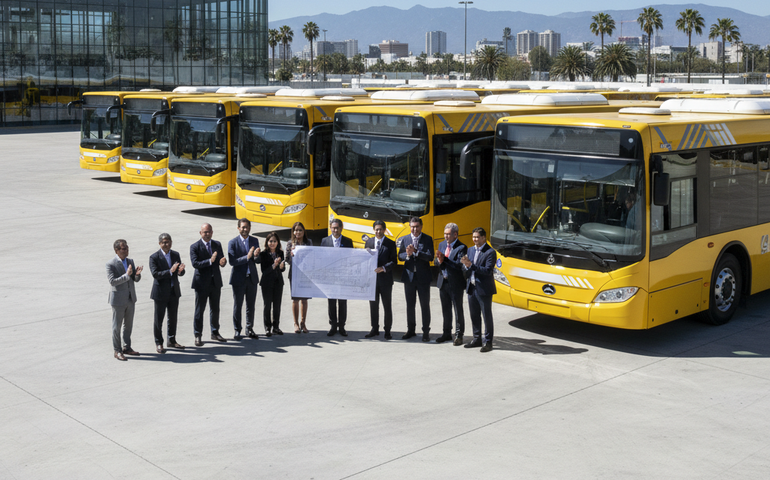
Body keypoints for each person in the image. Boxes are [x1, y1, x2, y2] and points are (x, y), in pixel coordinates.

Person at [397, 217, 434, 342]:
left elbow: (430, 257)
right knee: (410, 305)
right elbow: (400, 256)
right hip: (409, 278)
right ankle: (411, 330)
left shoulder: (427, 239)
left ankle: (425, 332)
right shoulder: (405, 239)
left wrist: (416, 252)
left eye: (417, 226)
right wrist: (407, 255)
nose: (414, 229)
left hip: (423, 278)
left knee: (424, 305)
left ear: (421, 226)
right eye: (412, 227)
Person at [190, 223, 227, 346]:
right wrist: (209, 261)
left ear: (212, 232)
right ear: (200, 233)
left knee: (215, 309)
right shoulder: (195, 246)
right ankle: (197, 335)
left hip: (215, 282)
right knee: (199, 310)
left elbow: (221, 259)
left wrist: (222, 262)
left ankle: (215, 332)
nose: (207, 234)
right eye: (205, 232)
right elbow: (195, 263)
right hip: (201, 283)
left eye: (209, 232)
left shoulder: (217, 244)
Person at [461, 227, 497, 353]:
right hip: (471, 286)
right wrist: (465, 266)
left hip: (484, 288)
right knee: (474, 314)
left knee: (486, 315)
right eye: (473, 237)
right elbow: (466, 268)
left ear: (483, 238)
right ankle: (477, 338)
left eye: (477, 237)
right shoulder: (470, 250)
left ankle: (488, 342)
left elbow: (487, 271)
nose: (475, 239)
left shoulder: (490, 252)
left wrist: (471, 265)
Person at [149, 233, 186, 353]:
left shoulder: (175, 254)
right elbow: (155, 274)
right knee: (158, 319)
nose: (166, 244)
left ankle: (172, 340)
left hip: (173, 291)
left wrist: (180, 271)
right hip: (160, 293)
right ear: (159, 244)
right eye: (164, 242)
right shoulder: (154, 257)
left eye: (168, 242)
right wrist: (170, 271)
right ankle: (159, 343)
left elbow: (179, 272)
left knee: (173, 317)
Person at [106, 239, 142, 361]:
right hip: (118, 300)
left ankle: (127, 347)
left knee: (128, 325)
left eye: (127, 247)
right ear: (117, 250)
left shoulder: (130, 261)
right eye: (123, 248)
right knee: (117, 326)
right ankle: (117, 350)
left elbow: (134, 279)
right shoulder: (111, 264)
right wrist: (126, 275)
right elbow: (113, 281)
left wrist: (137, 274)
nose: (126, 250)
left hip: (130, 298)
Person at [228, 218, 261, 341]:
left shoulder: (254, 240)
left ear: (250, 228)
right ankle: (237, 330)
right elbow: (232, 261)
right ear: (238, 228)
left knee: (250, 305)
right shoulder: (233, 243)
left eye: (247, 227)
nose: (245, 229)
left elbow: (257, 261)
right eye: (242, 227)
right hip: (238, 279)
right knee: (238, 305)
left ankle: (249, 328)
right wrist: (247, 257)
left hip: (251, 278)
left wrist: (257, 256)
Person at [435, 223, 467, 346]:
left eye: (448, 234)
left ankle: (459, 335)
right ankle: (446, 332)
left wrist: (445, 260)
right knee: (445, 309)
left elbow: (459, 265)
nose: (446, 236)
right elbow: (436, 261)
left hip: (455, 283)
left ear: (455, 234)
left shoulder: (461, 247)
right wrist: (439, 261)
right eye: (445, 234)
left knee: (457, 309)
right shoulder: (442, 244)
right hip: (443, 281)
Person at [364, 220, 397, 339]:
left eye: (380, 229)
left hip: (385, 280)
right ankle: (374, 328)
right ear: (374, 230)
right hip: (372, 280)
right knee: (373, 305)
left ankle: (387, 330)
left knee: (387, 305)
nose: (378, 231)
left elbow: (394, 261)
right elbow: (364, 260)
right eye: (376, 229)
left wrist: (384, 268)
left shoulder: (390, 243)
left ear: (384, 230)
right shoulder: (369, 242)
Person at [321, 219, 353, 337]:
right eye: (333, 228)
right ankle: (333, 326)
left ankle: (342, 327)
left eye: (337, 228)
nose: (335, 230)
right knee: (331, 302)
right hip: (330, 278)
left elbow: (351, 259)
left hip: (343, 277)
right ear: (330, 228)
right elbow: (321, 258)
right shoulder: (325, 241)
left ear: (341, 228)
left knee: (342, 302)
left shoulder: (348, 241)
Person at [286, 222, 313, 334]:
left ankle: (303, 322)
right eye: (296, 230)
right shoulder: (290, 243)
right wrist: (291, 255)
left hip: (306, 274)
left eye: (300, 230)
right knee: (295, 299)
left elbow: (313, 256)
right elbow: (287, 259)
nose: (297, 232)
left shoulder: (309, 242)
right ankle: (296, 323)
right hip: (295, 274)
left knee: (304, 300)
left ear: (304, 231)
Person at [259, 232, 285, 336]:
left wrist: (281, 267)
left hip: (278, 282)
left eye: (274, 241)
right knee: (267, 305)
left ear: (278, 242)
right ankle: (267, 327)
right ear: (267, 242)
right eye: (270, 241)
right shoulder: (263, 254)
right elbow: (264, 271)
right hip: (266, 283)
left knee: (277, 305)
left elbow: (282, 270)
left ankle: (276, 327)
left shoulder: (280, 253)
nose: (272, 243)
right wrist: (274, 265)